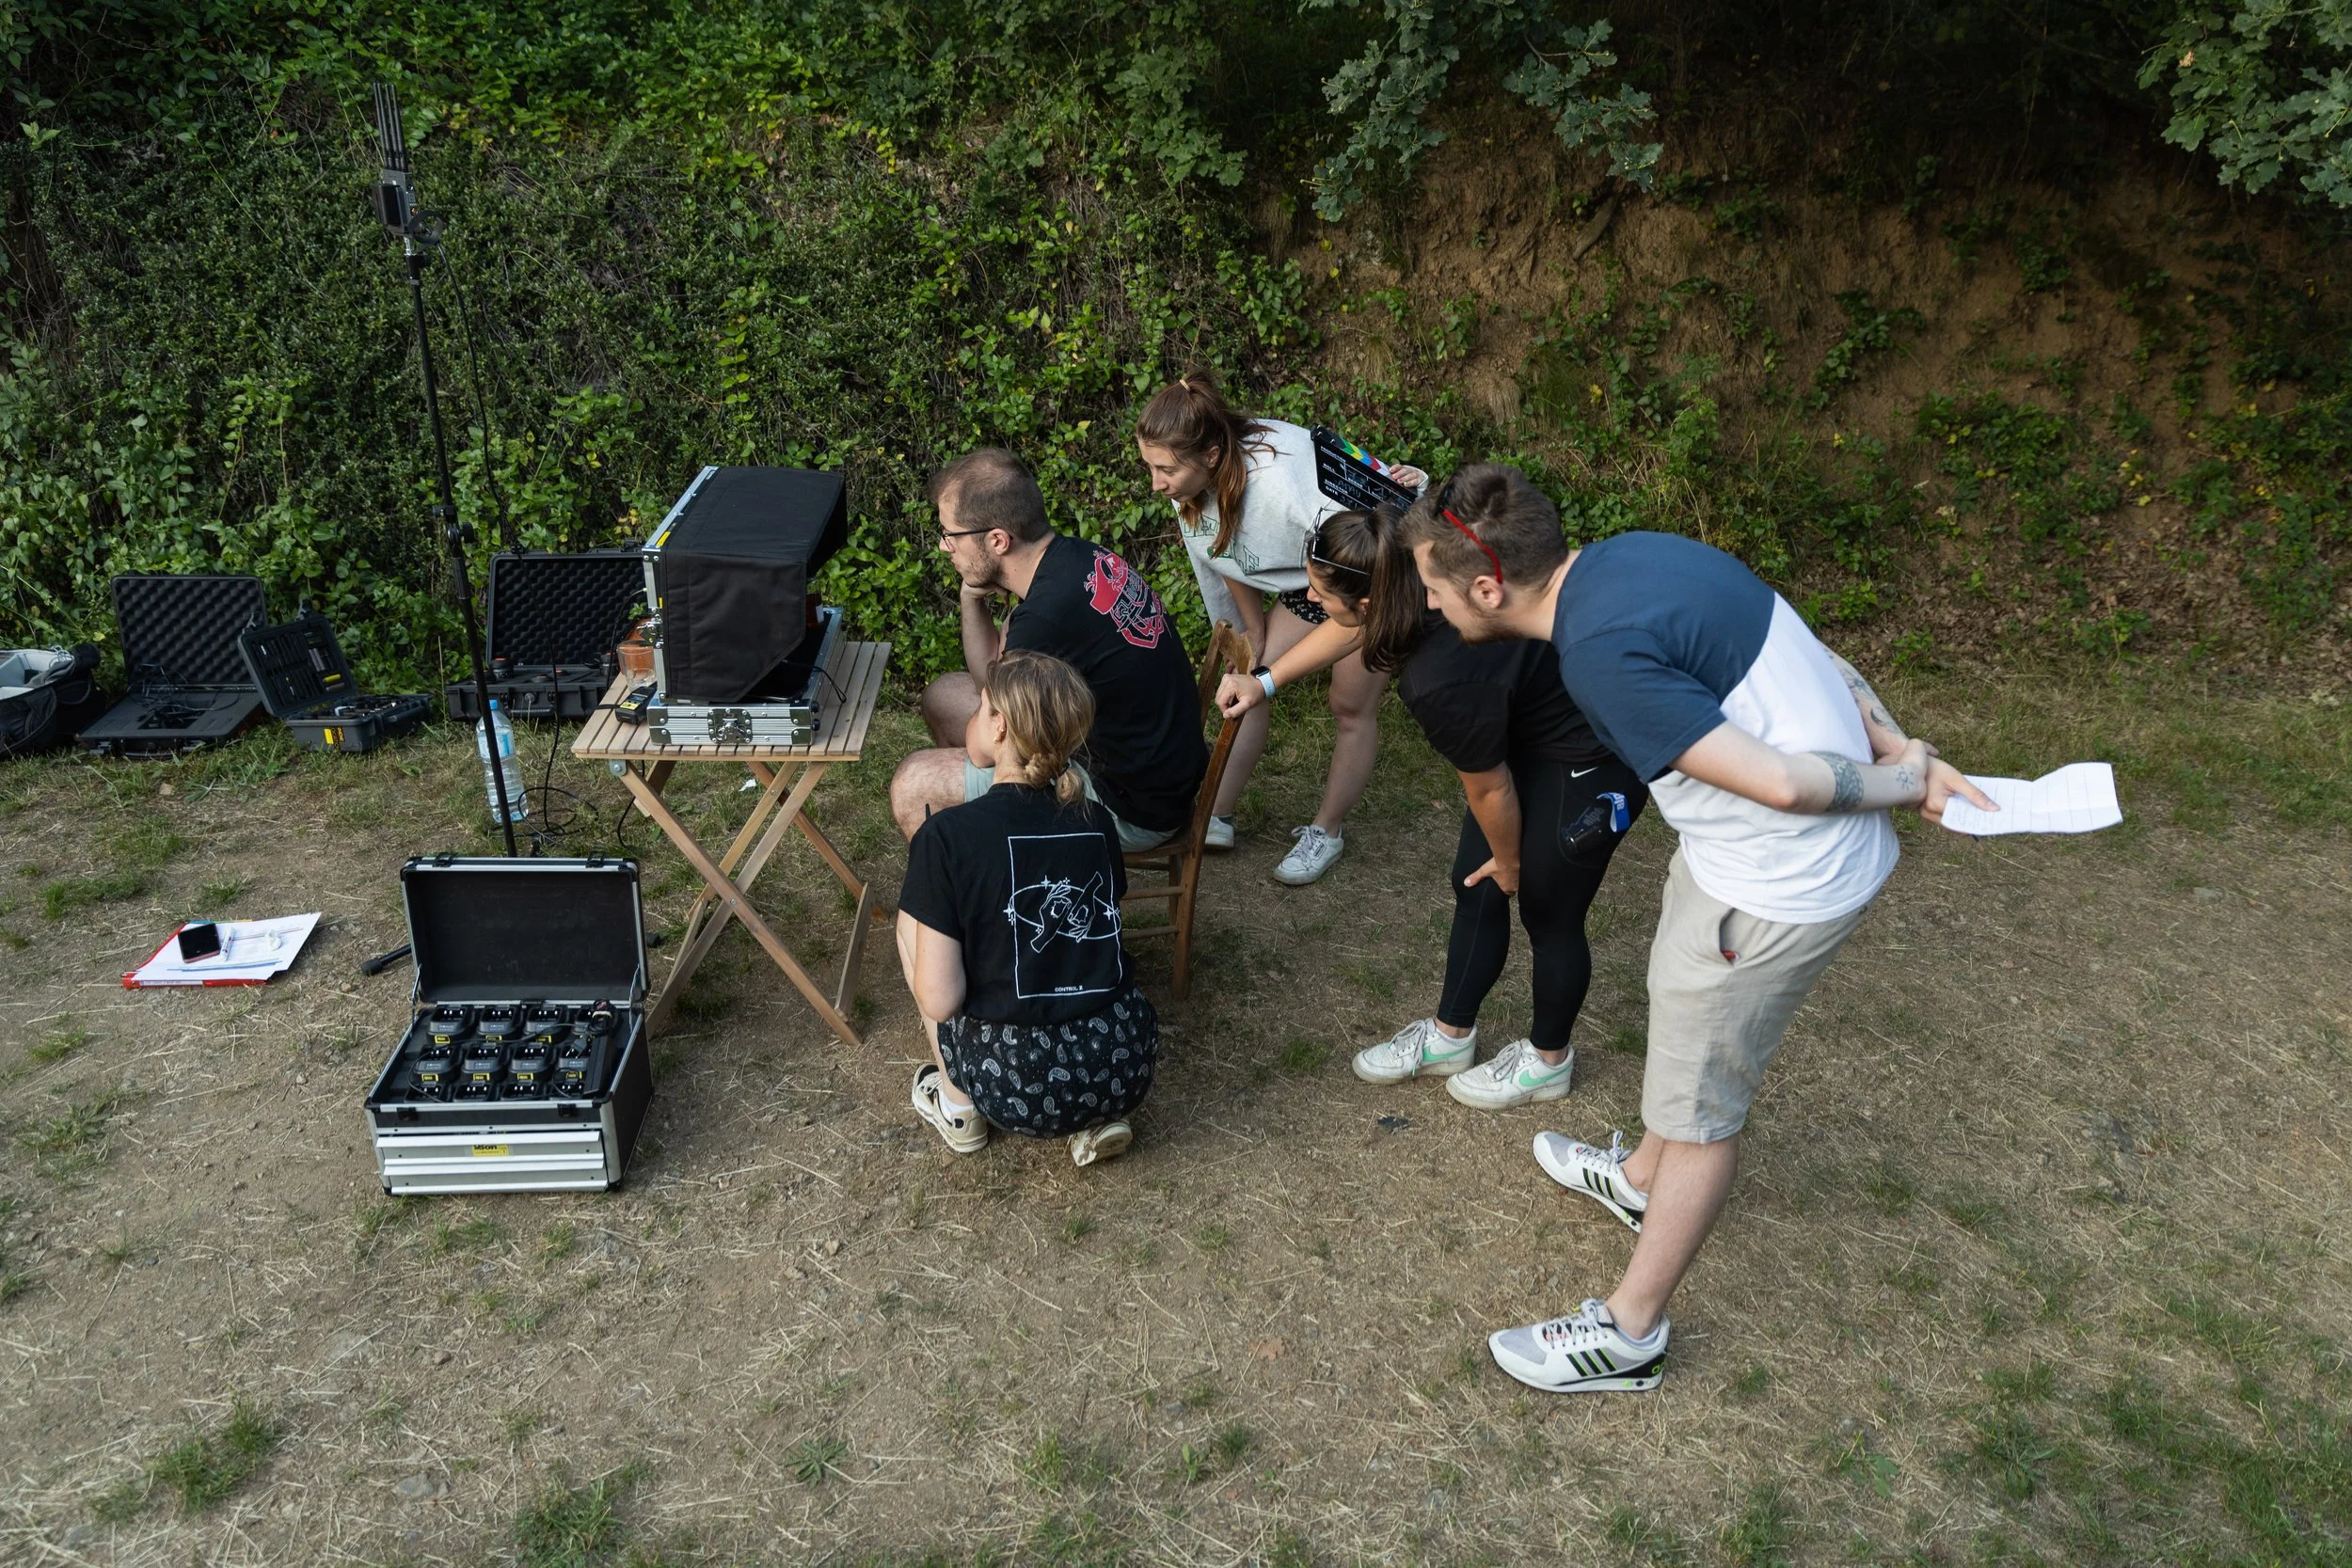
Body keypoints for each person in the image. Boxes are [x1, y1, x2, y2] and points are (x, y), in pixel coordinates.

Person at [1403, 465, 1997, 1395]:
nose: (1429, 608)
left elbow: (1784, 784)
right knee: (1677, 1016)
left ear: (1486, 586)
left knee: (1703, 1112)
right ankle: (1641, 1175)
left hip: (1775, 886)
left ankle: (1630, 1332)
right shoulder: (1635, 554)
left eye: (1433, 590)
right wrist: (1892, 740)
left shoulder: (1595, 651)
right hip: (1726, 862)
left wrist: (1906, 775)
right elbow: (1821, 658)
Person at [1216, 508, 1648, 1108]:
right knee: (1475, 885)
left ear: (1370, 598)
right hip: (1522, 726)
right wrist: (1266, 680)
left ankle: (1549, 1060)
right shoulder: (1413, 572)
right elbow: (1352, 621)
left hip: (1593, 751)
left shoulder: (1439, 678)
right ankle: (1450, 1037)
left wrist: (1514, 861)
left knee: (1548, 909)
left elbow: (1489, 788)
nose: (1308, 595)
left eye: (1317, 589)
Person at [1135, 373, 1424, 884]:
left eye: (1165, 470)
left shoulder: (1288, 488)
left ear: (1212, 455)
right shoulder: (1192, 481)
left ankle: (1326, 832)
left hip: (1377, 574)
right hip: (1313, 575)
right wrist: (1253, 632)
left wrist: (1271, 673)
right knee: (1252, 678)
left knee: (1349, 704)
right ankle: (1215, 816)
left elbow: (1372, 558)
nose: (1155, 483)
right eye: (1150, 466)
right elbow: (1225, 551)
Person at [895, 649, 1157, 1166]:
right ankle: (1095, 1115)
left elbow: (942, 1001)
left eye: (980, 707)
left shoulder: (946, 836)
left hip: (1014, 1081)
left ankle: (958, 1107)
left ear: (999, 727)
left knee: (914, 919)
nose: (973, 717)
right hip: (1123, 1061)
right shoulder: (1097, 822)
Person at [890, 448, 1206, 851]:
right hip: (1151, 769)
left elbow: (982, 750)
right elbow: (987, 677)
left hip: (1130, 807)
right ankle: (994, 840)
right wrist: (971, 599)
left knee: (915, 784)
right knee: (941, 697)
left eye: (950, 535)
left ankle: (980, 886)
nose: (942, 547)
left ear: (998, 540)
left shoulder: (1046, 619)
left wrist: (991, 705)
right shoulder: (1073, 557)